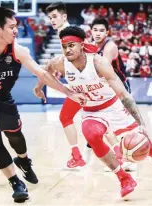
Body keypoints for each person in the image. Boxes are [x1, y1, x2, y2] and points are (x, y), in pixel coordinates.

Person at [36, 25, 152, 198]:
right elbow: (45, 72)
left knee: (147, 146)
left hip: (113, 106)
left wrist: (141, 124)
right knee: (91, 134)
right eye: (64, 46)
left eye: (71, 45)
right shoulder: (60, 62)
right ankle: (124, 178)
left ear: (82, 45)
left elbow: (124, 94)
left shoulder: (98, 62)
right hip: (91, 110)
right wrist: (39, 88)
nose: (67, 49)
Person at [0, 7, 86, 203]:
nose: (16, 31)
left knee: (16, 137)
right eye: (12, 27)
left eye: (16, 27)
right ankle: (15, 182)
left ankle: (23, 160)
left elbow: (42, 74)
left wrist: (67, 92)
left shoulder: (18, 51)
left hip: (4, 102)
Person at [34, 2, 100, 169]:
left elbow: (89, 52)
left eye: (55, 16)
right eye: (50, 18)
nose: (52, 20)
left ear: (64, 16)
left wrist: (40, 85)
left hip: (85, 84)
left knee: (94, 120)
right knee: (74, 118)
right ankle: (79, 156)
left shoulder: (67, 33)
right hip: (83, 83)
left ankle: (118, 157)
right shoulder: (63, 33)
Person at [90, 17, 136, 171]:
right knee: (109, 126)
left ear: (107, 32)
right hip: (106, 89)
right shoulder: (92, 47)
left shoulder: (109, 47)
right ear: (91, 31)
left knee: (123, 125)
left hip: (119, 87)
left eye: (101, 30)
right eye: (95, 30)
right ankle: (121, 157)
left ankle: (130, 156)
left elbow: (103, 69)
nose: (98, 33)